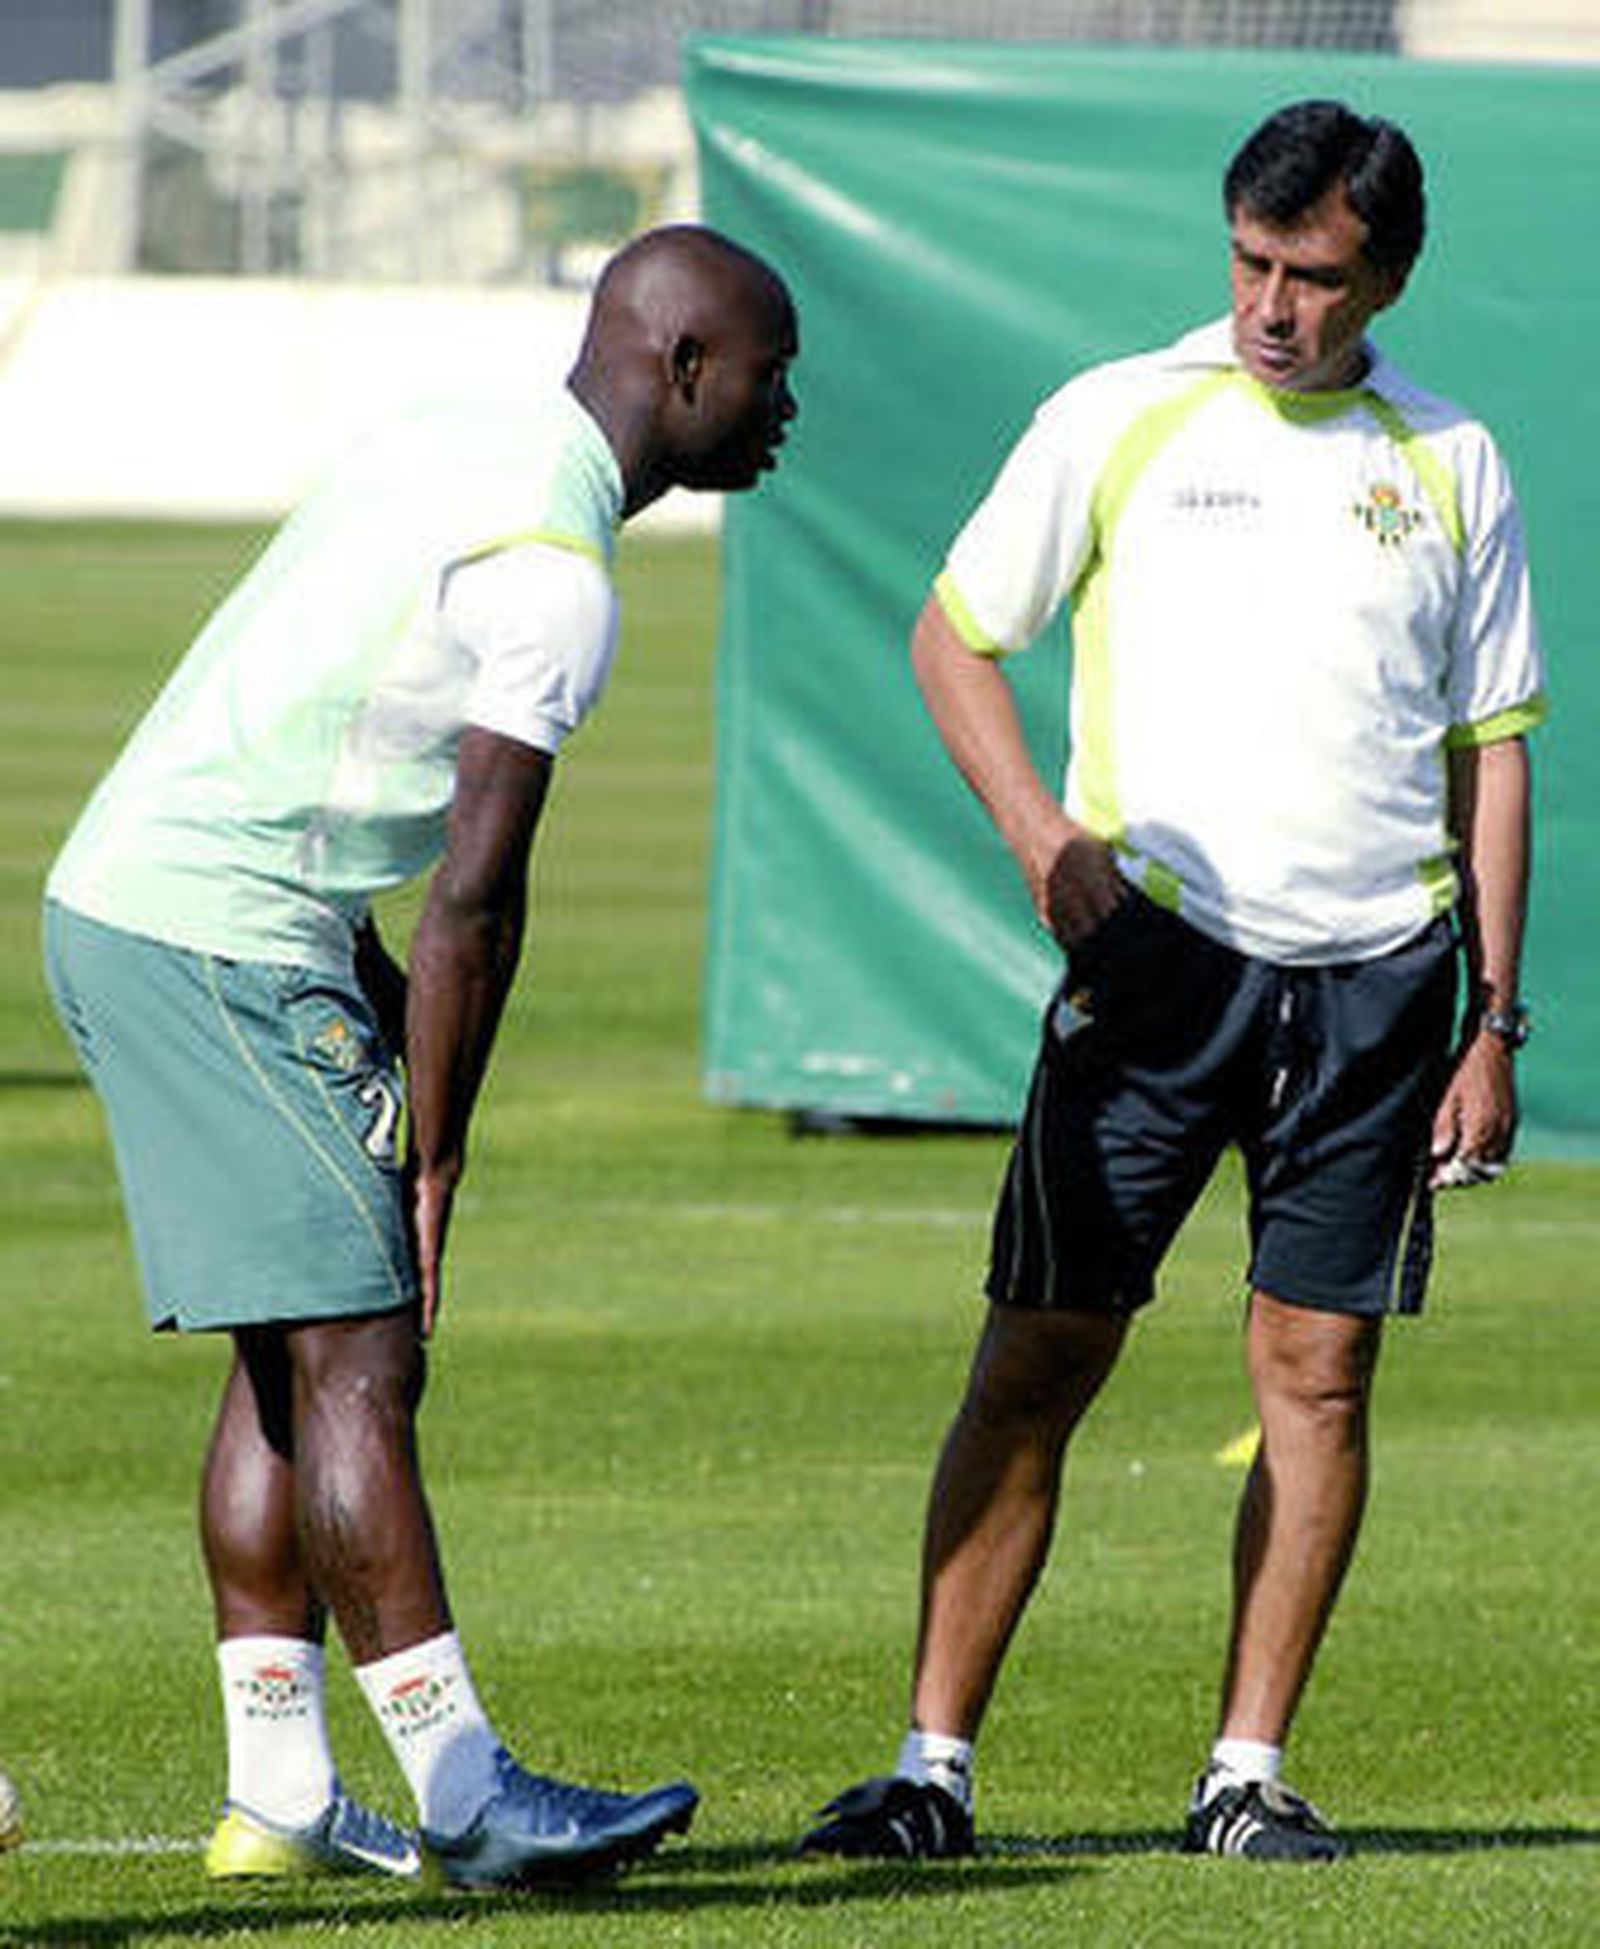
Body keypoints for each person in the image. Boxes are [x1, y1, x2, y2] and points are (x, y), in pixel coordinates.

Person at [798, 100, 1542, 1865]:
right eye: (1253, 264)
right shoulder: (1120, 412)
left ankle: (1245, 1772)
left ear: (1391, 277)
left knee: (1323, 1369)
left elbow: (1492, 753)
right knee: (1039, 1351)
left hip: (1379, 983)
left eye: (1317, 276)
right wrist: (1042, 837)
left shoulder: (1455, 460)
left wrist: (1492, 1020)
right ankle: (930, 1768)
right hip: (1158, 972)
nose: (1276, 306)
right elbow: (952, 631)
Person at [44, 225, 798, 1890]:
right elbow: (477, 894)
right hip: (220, 929)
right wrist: (435, 1148)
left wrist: (364, 988)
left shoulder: (463, 433)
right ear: (683, 369)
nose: (785, 407)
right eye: (769, 372)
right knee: (365, 1357)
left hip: (146, 899)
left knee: (285, 1357)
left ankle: (284, 1794)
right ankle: (467, 1792)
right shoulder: (561, 570)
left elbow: (321, 704)